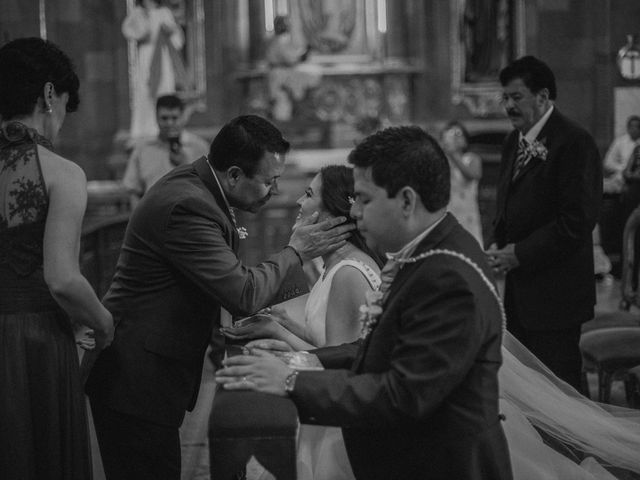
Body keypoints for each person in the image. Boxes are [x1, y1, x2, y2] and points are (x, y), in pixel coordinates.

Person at [217, 125, 513, 480]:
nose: (354, 213)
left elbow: (404, 394)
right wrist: (301, 359)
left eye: (365, 199)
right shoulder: (425, 253)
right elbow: (374, 347)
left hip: (441, 464)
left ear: (406, 201)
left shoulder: (447, 276)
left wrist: (291, 381)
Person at [85, 114, 354, 480]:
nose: (276, 192)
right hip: (135, 377)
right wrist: (296, 252)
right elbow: (242, 291)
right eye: (269, 181)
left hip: (147, 372)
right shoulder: (188, 204)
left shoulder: (199, 189)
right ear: (233, 175)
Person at [222, 164, 383, 480]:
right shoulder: (334, 266)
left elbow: (337, 366)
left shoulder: (347, 274)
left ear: (333, 212)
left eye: (309, 194)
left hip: (337, 427)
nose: (298, 202)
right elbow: (333, 340)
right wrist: (286, 323)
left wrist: (275, 332)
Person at [0, 37, 114, 479]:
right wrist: (103, 324)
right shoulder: (62, 173)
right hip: (34, 344)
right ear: (49, 95)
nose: (62, 121)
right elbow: (62, 280)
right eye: (65, 105)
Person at [487, 55, 602, 390]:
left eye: (516, 97)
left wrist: (518, 253)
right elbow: (507, 203)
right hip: (519, 291)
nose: (508, 105)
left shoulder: (574, 142)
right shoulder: (514, 140)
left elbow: (576, 222)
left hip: (557, 293)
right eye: (504, 98)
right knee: (529, 391)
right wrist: (497, 241)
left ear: (542, 96)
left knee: (560, 387)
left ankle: (573, 445)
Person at [122, 94, 209, 209]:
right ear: (156, 118)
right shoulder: (142, 149)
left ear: (182, 117)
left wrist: (185, 164)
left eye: (174, 118)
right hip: (153, 216)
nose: (169, 123)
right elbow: (133, 190)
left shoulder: (199, 147)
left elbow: (209, 188)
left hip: (190, 216)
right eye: (164, 118)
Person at [122, 0, 186, 139]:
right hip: (146, 57)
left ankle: (166, 128)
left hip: (162, 58)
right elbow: (130, 31)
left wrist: (171, 32)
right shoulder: (138, 12)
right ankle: (144, 130)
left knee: (164, 90)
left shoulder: (165, 12)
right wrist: (143, 20)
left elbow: (177, 40)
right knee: (145, 93)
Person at [265, 15, 320, 122]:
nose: (287, 26)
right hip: (281, 75)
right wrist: (307, 50)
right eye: (285, 24)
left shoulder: (278, 39)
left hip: (280, 74)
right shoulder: (280, 40)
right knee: (281, 104)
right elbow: (292, 59)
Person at [440, 120, 483, 245]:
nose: (455, 139)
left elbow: (473, 175)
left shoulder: (471, 158)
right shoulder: (440, 162)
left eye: (458, 134)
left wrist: (453, 155)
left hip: (467, 215)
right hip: (447, 212)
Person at [603, 115, 640, 195]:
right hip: (621, 179)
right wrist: (623, 169)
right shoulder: (620, 142)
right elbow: (607, 162)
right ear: (627, 128)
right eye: (631, 127)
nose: (634, 129)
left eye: (637, 127)